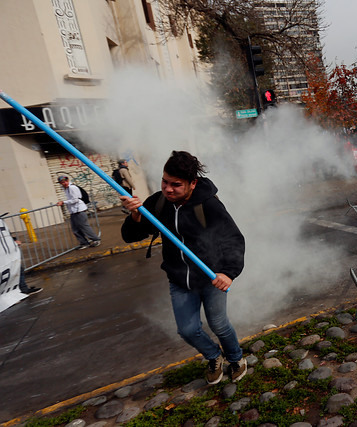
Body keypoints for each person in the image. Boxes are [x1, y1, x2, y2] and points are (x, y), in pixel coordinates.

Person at [120, 151, 247, 384]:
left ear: (192, 183)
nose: (168, 189)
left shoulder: (208, 205)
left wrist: (228, 273)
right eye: (164, 181)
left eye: (176, 185)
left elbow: (234, 239)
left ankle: (236, 358)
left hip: (211, 277)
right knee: (187, 330)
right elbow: (130, 236)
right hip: (179, 280)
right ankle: (213, 356)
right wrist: (136, 216)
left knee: (218, 324)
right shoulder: (158, 202)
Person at [56, 176, 101, 249]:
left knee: (84, 226)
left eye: (64, 182)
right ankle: (84, 243)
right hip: (74, 211)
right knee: (75, 228)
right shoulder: (66, 189)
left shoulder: (72, 188)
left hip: (79, 210)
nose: (63, 183)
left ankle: (96, 239)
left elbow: (75, 200)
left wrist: (63, 202)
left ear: (67, 180)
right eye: (61, 182)